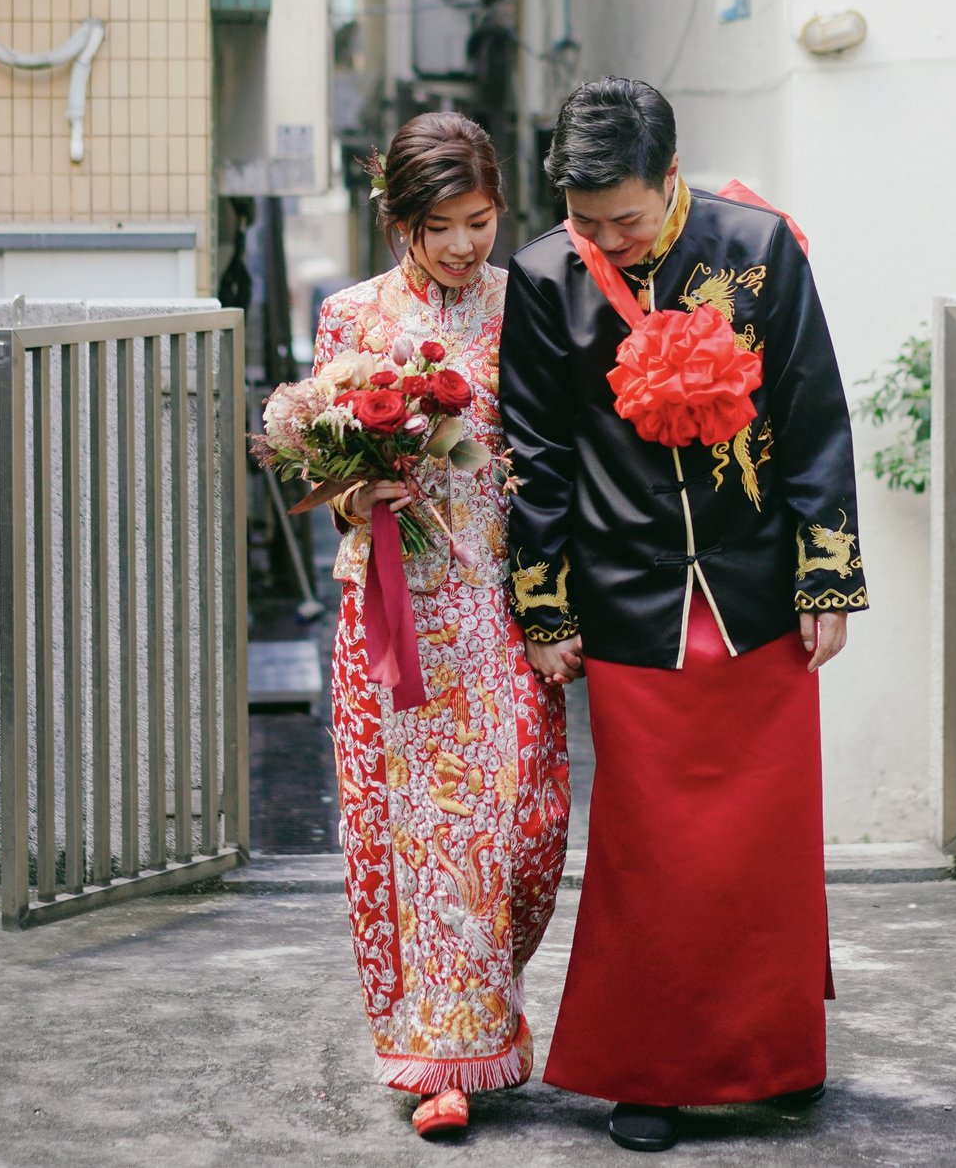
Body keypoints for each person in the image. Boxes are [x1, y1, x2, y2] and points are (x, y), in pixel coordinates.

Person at [500, 77, 865, 1154]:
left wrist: (826, 578)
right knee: (648, 851)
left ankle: (775, 1058)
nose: (607, 240)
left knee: (764, 844)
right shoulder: (542, 276)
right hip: (627, 602)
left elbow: (811, 412)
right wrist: (543, 605)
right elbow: (536, 455)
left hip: (755, 594)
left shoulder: (759, 246)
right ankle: (649, 1071)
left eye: (627, 218)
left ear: (672, 179)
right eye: (585, 220)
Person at [311, 111, 572, 1141]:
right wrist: (361, 475)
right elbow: (320, 479)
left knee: (530, 830)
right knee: (422, 837)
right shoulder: (351, 319)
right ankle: (441, 1060)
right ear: (400, 222)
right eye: (444, 226)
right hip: (394, 614)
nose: (468, 244)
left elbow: (550, 455)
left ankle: (477, 1003)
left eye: (482, 219)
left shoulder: (528, 306)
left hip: (502, 607)